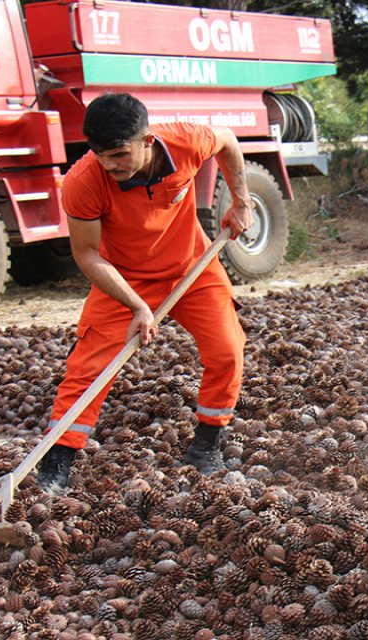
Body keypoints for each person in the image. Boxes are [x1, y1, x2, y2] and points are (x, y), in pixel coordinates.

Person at [36, 92, 252, 493]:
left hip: (192, 267)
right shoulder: (84, 182)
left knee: (226, 350)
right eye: (99, 154)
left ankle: (207, 444)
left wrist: (240, 201)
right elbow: (85, 254)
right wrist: (136, 304)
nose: (108, 164)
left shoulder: (185, 141)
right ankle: (57, 460)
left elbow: (227, 139)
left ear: (147, 140)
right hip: (124, 277)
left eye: (118, 154)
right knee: (88, 367)